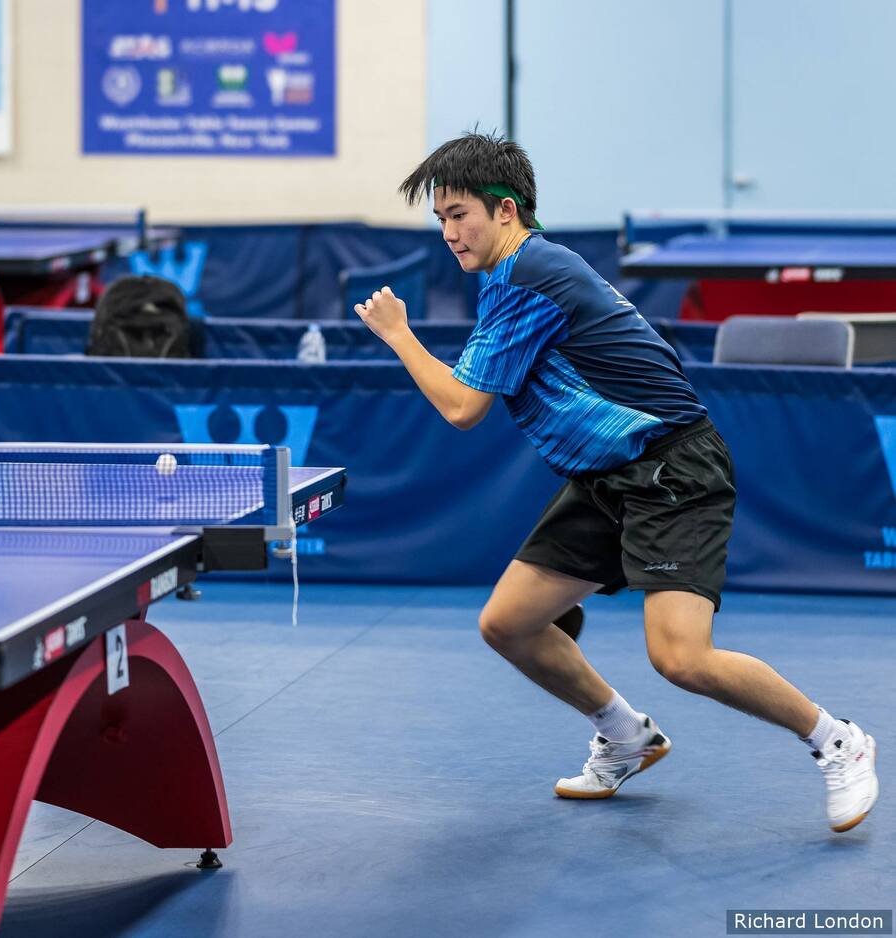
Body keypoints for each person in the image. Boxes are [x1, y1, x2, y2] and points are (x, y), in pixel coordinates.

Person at [354, 131, 877, 832]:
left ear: (506, 210)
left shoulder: (529, 278)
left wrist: (398, 334)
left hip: (671, 471)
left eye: (458, 214)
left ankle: (837, 740)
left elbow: (461, 408)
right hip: (606, 476)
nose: (449, 232)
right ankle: (627, 736)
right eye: (441, 219)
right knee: (508, 624)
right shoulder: (522, 272)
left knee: (681, 657)